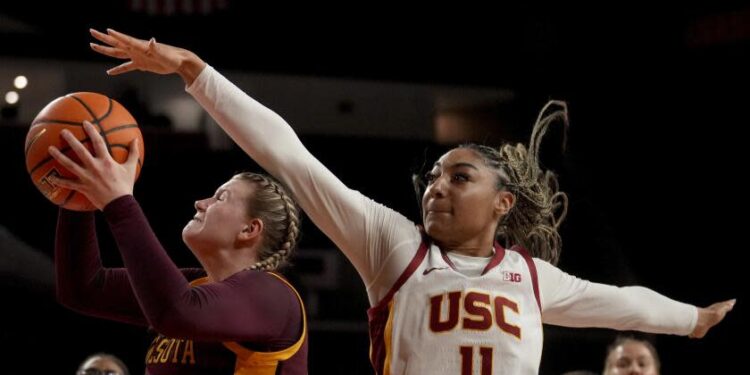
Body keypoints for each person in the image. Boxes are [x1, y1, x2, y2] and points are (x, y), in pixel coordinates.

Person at [88, 28, 736, 375]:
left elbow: (628, 303)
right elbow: (290, 157)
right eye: (432, 177)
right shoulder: (392, 245)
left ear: (503, 202)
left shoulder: (533, 278)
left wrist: (697, 318)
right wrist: (195, 71)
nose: (435, 187)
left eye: (458, 177)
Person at [49, 121, 307, 374]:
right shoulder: (194, 288)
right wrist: (77, 196)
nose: (199, 202)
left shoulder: (273, 296)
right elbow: (83, 287)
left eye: (220, 197)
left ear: (249, 230)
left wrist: (119, 202)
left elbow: (177, 313)